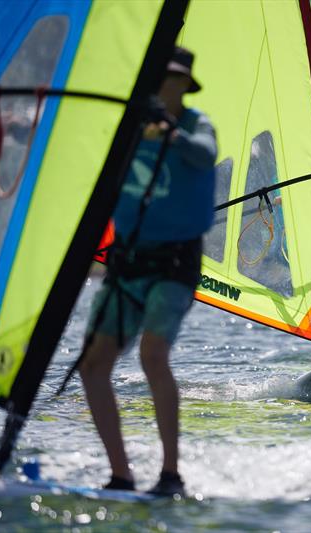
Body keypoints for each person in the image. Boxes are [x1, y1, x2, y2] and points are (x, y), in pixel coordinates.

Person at [78, 46, 217, 496]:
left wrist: (170, 133)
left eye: (174, 79)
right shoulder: (128, 127)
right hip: (129, 261)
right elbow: (82, 148)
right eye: (159, 78)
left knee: (152, 354)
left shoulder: (196, 125)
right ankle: (120, 474)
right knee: (93, 365)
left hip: (175, 262)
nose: (165, 85)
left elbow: (204, 152)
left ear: (185, 85)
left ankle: (170, 474)